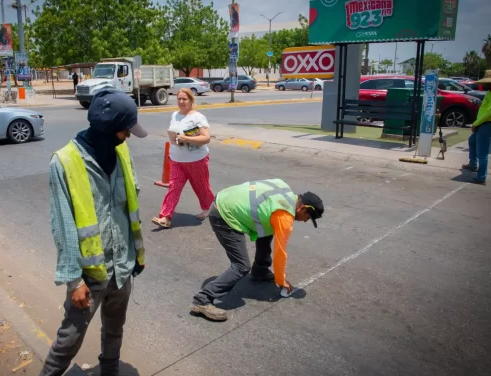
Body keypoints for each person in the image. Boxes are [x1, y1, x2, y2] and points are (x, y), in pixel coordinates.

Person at [40, 87, 148, 376]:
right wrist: (74, 281)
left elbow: (129, 209)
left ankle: (109, 371)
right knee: (69, 340)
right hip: (90, 275)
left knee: (115, 329)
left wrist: (136, 256)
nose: (128, 136)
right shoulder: (64, 162)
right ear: (110, 128)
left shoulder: (121, 152)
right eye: (125, 130)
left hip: (122, 267)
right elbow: (63, 226)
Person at [190, 180, 324, 321]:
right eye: (308, 217)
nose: (305, 221)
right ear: (302, 208)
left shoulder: (283, 187)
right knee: (241, 266)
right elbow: (280, 253)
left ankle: (260, 271)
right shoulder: (284, 216)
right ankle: (202, 299)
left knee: (268, 231)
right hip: (223, 215)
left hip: (225, 197)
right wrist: (281, 280)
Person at [151, 88, 215, 228]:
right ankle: (165, 217)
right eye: (179, 99)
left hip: (196, 160)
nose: (181, 101)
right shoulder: (175, 115)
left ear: (191, 100)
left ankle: (210, 208)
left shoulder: (198, 117)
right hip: (176, 159)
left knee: (202, 187)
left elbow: (206, 138)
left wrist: (185, 138)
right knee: (173, 188)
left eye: (184, 99)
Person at [461, 70, 491, 185]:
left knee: (482, 152)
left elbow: (489, 113)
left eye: (486, 83)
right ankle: (473, 164)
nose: (483, 85)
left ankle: (481, 177)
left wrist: (476, 123)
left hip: (486, 124)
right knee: (472, 141)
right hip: (482, 123)